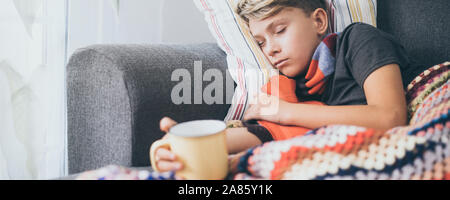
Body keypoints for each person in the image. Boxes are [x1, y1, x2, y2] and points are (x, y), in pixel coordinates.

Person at [152, 0, 425, 173]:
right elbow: (262, 134)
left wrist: (286, 112)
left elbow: (390, 117)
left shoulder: (358, 40)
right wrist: (179, 146)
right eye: (260, 42)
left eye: (279, 30)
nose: (270, 49)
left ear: (319, 21)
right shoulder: (291, 88)